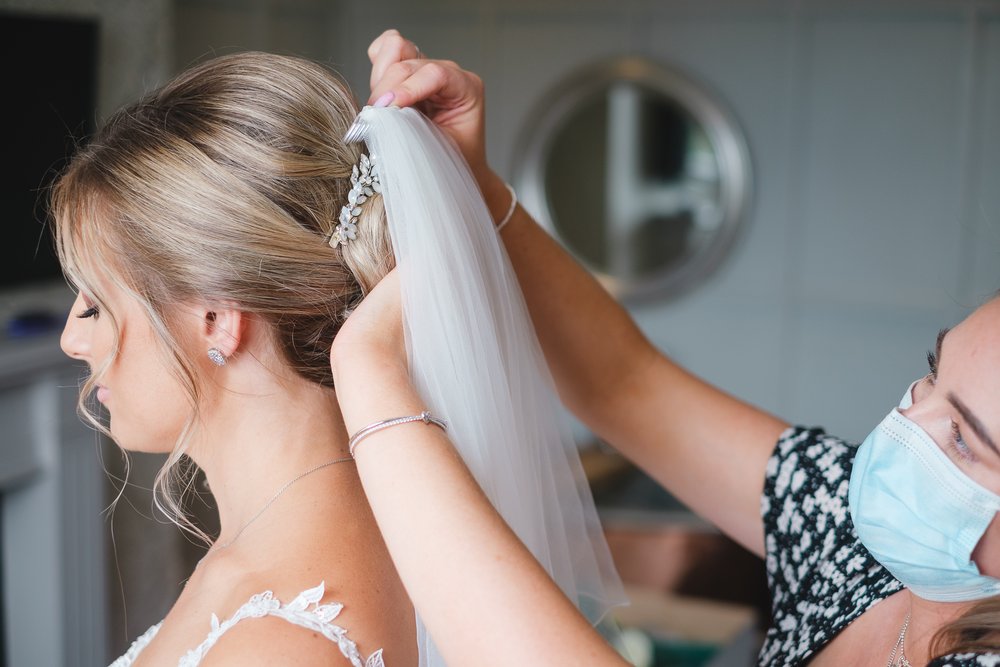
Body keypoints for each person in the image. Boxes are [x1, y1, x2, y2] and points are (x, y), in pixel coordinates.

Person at [331, 29, 1000, 667]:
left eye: (965, 442)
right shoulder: (856, 541)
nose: (909, 425)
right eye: (931, 377)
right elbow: (626, 383)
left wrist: (371, 382)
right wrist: (475, 183)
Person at [55, 50, 622, 666]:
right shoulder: (364, 530)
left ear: (215, 320)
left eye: (95, 305)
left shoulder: (277, 645)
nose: (71, 339)